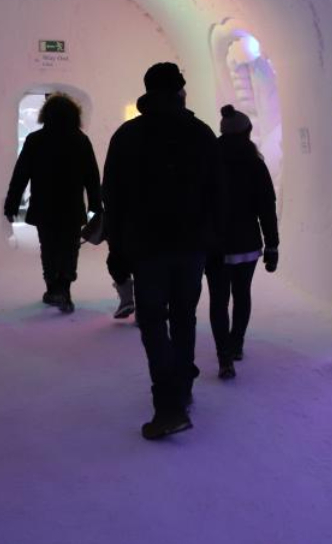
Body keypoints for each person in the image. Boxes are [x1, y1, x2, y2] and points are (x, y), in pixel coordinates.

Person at [102, 62, 223, 440]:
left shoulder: (128, 135)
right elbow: (218, 192)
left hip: (146, 246)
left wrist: (117, 249)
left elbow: (113, 198)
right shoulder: (200, 133)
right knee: (184, 317)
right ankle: (181, 389)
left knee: (153, 321)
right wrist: (213, 239)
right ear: (179, 90)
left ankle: (168, 404)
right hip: (191, 245)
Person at [4, 93, 101, 314]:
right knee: (69, 248)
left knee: (48, 247)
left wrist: (11, 204)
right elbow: (92, 176)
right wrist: (95, 204)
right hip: (71, 206)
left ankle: (52, 288)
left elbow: (20, 175)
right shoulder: (80, 140)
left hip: (44, 205)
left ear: (46, 114)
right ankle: (64, 288)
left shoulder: (35, 140)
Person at [206, 105, 279, 380]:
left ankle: (224, 356)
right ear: (247, 132)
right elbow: (266, 207)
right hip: (247, 242)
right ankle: (236, 344)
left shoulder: (209, 161)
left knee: (218, 300)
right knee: (242, 294)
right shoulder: (254, 164)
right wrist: (272, 245)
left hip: (215, 244)